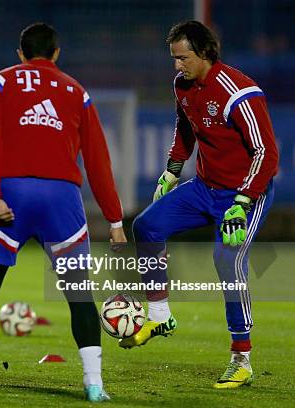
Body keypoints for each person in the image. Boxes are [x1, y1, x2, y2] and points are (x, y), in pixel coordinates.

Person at [0, 23, 126, 402]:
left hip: (11, 194)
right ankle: (95, 384)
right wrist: (114, 219)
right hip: (62, 199)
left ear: (20, 53)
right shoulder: (78, 92)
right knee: (80, 295)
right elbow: (98, 161)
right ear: (56, 53)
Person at [123, 21, 279, 389]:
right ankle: (159, 315)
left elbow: (266, 153)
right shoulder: (182, 86)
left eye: (183, 58)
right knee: (146, 226)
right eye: (174, 58)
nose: (177, 66)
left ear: (206, 53)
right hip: (204, 187)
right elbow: (186, 126)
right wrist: (171, 172)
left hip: (245, 193)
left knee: (227, 260)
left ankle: (241, 358)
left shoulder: (239, 92)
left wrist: (242, 201)